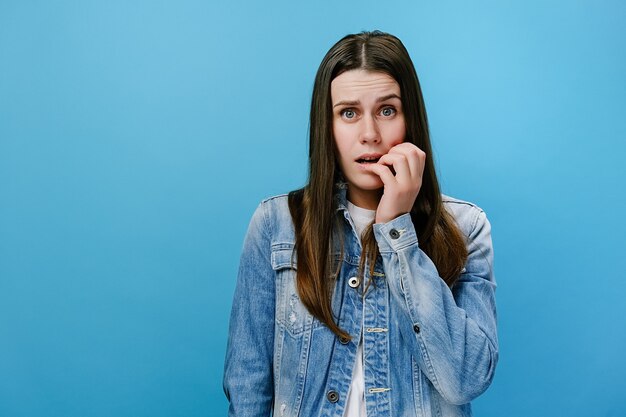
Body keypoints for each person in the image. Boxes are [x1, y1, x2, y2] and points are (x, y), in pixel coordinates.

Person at [223, 30, 498, 417]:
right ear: (327, 127)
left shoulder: (466, 228)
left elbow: (466, 380)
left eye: (387, 110)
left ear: (410, 120)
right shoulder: (275, 226)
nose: (370, 135)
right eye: (348, 113)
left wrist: (397, 231)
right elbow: (248, 388)